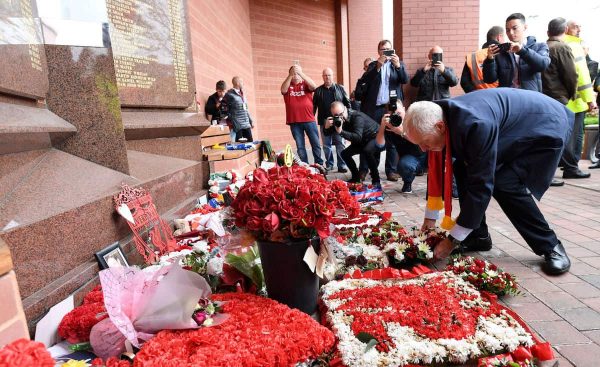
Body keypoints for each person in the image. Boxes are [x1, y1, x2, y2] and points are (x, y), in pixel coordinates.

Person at [398, 89, 573, 275]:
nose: (423, 149)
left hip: (544, 126)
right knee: (462, 168)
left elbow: (482, 185)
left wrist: (452, 240)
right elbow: (439, 169)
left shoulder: (475, 124)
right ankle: (478, 235)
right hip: (512, 124)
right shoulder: (435, 114)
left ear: (440, 127)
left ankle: (551, 246)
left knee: (505, 183)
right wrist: (430, 218)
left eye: (424, 142)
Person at [361, 40, 409, 182]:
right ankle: (365, 170)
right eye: (383, 49)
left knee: (392, 139)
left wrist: (398, 66)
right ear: (378, 51)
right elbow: (366, 82)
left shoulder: (398, 64)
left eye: (388, 49)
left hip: (391, 108)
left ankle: (391, 171)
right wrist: (378, 66)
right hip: (374, 108)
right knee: (370, 138)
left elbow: (405, 80)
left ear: (392, 50)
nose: (385, 52)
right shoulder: (372, 65)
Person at [561, 19, 596, 179]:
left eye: (580, 26)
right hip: (575, 101)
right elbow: (582, 75)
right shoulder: (573, 45)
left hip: (571, 100)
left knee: (575, 135)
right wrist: (590, 99)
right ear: (567, 28)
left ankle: (571, 166)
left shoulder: (565, 43)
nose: (579, 29)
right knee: (574, 136)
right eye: (576, 27)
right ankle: (571, 168)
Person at [482, 13, 550, 91]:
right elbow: (489, 79)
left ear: (525, 27)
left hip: (530, 98)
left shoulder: (539, 46)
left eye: (514, 28)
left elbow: (542, 65)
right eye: (507, 30)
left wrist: (522, 51)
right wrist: (490, 59)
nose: (511, 33)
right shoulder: (502, 51)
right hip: (508, 98)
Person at [324, 101, 385, 187]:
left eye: (341, 114)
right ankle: (356, 177)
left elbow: (357, 137)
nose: (339, 117)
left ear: (345, 108)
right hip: (361, 141)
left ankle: (376, 180)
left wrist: (341, 132)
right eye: (336, 115)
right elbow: (327, 134)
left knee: (367, 151)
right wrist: (326, 127)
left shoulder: (357, 117)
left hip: (375, 136)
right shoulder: (336, 120)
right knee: (344, 154)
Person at [281, 65, 324, 165]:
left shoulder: (305, 84)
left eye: (297, 73)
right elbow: (283, 90)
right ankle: (305, 166)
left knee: (315, 144)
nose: (295, 75)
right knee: (300, 146)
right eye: (293, 73)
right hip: (294, 121)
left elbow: (314, 86)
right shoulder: (288, 85)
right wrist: (290, 75)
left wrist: (301, 73)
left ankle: (319, 164)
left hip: (309, 119)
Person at [313, 67, 350, 172]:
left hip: (339, 120)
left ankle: (342, 165)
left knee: (340, 143)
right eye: (325, 75)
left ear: (332, 76)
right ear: (322, 77)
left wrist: (347, 117)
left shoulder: (340, 88)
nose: (327, 77)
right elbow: (314, 106)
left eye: (329, 75)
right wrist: (312, 118)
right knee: (326, 145)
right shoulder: (318, 90)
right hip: (324, 122)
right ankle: (329, 164)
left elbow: (348, 104)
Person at [460, 26, 504, 93]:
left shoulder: (473, 56)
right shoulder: (504, 54)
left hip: (479, 98)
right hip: (499, 97)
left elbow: (464, 82)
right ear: (499, 37)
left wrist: (476, 95)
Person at [221, 76, 253, 142]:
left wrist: (251, 121)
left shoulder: (243, 94)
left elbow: (246, 109)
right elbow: (223, 108)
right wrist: (232, 118)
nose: (243, 83)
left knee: (250, 144)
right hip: (237, 126)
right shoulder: (229, 94)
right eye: (242, 82)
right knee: (239, 146)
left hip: (246, 124)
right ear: (238, 83)